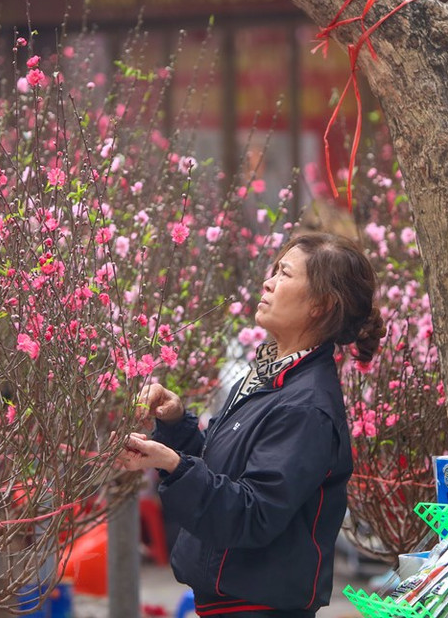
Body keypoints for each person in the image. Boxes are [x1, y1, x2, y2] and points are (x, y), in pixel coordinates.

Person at [117, 232, 386, 617]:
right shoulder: (270, 376)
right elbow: (223, 473)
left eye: (286, 275)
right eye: (274, 270)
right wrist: (176, 424)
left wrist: (172, 463)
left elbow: (251, 514)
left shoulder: (306, 407)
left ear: (321, 305)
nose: (269, 282)